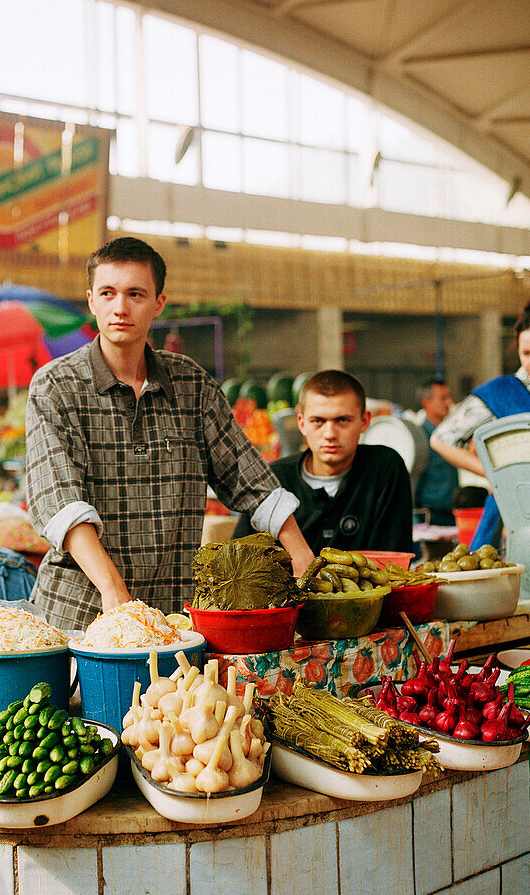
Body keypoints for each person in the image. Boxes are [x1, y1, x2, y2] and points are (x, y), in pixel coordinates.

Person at [24, 236, 314, 630]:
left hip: (172, 617)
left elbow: (247, 474)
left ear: (158, 302)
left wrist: (301, 555)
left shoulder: (191, 384)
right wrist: (114, 593)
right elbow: (58, 501)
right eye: (108, 293)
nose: (120, 307)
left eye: (135, 294)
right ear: (91, 300)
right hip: (81, 616)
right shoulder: (55, 386)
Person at [430, 293, 530, 559]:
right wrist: (498, 474)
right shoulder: (502, 391)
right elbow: (441, 439)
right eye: (526, 353)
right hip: (521, 519)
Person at [233, 370, 414, 553]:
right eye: (318, 421)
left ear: (364, 421)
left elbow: (392, 561)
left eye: (342, 420)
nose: (330, 434)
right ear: (302, 423)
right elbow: (240, 559)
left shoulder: (384, 469)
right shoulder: (273, 479)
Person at [414, 378, 459, 526]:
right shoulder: (421, 437)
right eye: (443, 398)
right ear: (426, 402)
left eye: (449, 397)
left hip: (450, 514)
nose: (448, 403)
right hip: (430, 517)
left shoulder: (449, 434)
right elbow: (414, 482)